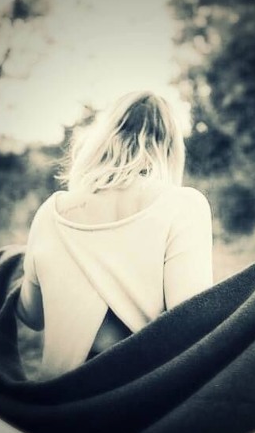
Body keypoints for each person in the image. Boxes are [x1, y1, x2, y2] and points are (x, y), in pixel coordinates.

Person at [16, 91, 213, 379]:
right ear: (171, 147)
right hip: (139, 394)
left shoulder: (51, 212)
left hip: (59, 396)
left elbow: (32, 316)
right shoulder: (183, 204)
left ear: (102, 138)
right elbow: (193, 324)